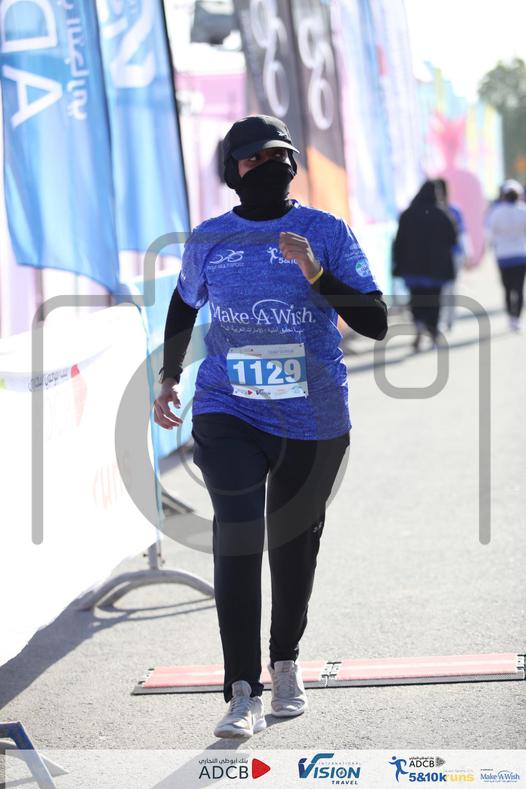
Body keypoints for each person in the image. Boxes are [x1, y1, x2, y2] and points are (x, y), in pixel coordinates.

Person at [153, 115, 388, 739]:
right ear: (232, 172)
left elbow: (376, 322)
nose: (267, 165)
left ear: (293, 164)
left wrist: (316, 273)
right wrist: (170, 376)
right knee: (237, 536)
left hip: (312, 417)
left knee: (293, 542)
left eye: (278, 155)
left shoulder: (325, 231)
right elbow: (183, 303)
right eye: (252, 158)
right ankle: (240, 689)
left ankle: (284, 659)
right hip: (229, 408)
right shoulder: (210, 238)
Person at [393, 180, 458, 350]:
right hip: (436, 269)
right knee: (434, 301)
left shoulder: (407, 214)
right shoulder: (442, 214)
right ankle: (433, 331)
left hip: (412, 269)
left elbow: (398, 242)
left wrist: (398, 264)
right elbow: (453, 239)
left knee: (416, 299)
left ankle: (419, 326)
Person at [486, 179, 526, 332]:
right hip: (521, 254)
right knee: (519, 288)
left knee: (507, 288)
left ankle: (510, 316)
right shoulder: (523, 211)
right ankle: (517, 318)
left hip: (503, 256)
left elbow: (490, 234)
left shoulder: (496, 212)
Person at [434, 177, 469, 331]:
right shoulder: (432, 209)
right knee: (440, 288)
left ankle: (450, 319)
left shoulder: (454, 209)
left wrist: (467, 253)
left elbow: (462, 233)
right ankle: (441, 319)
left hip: (454, 254)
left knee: (450, 288)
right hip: (438, 255)